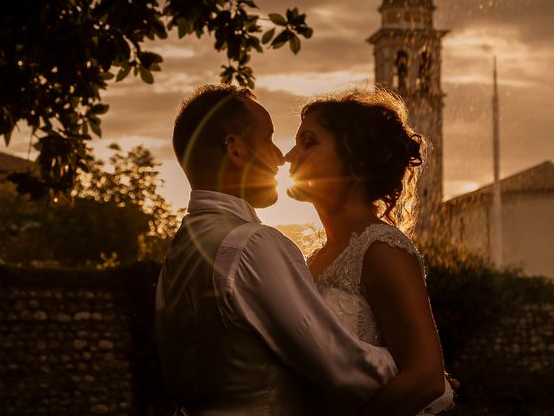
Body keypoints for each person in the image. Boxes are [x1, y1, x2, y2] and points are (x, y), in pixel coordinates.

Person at [154, 84, 398, 415]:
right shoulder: (251, 244)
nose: (280, 157)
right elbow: (341, 366)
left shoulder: (181, 248)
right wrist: (416, 373)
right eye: (268, 139)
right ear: (235, 150)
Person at [284, 87, 455, 415]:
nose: (290, 157)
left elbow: (425, 378)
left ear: (355, 158)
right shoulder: (317, 258)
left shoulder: (381, 250)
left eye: (309, 142)